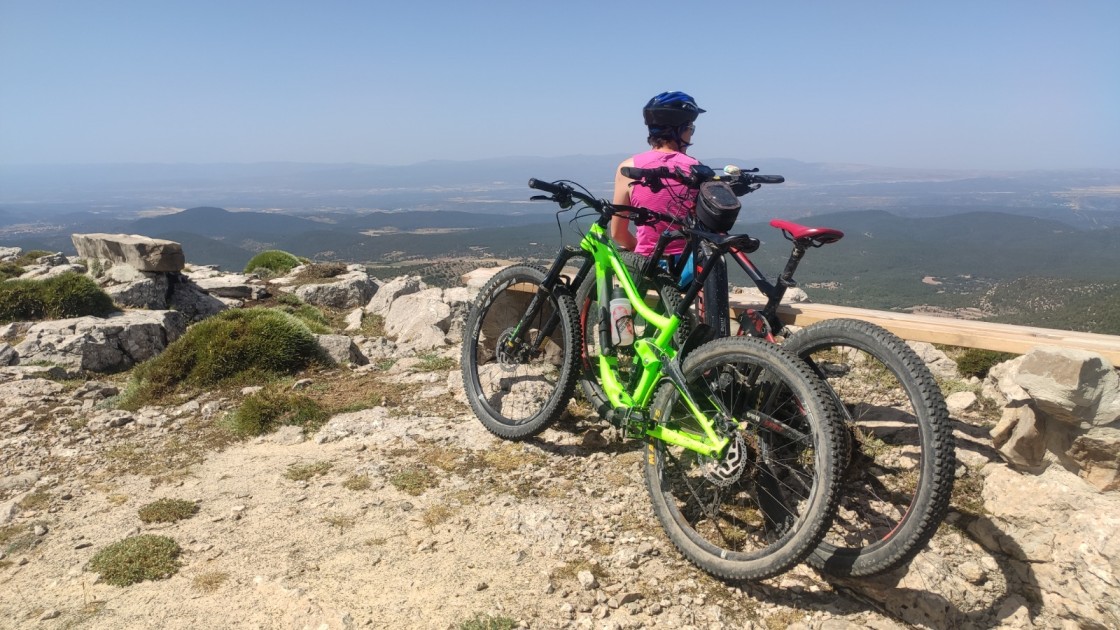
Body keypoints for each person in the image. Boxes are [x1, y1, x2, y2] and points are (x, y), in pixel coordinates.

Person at [611, 91, 704, 256]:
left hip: (645, 266)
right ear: (680, 130)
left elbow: (618, 233)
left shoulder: (628, 168)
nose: (690, 134)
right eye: (690, 128)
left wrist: (640, 250)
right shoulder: (697, 169)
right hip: (689, 267)